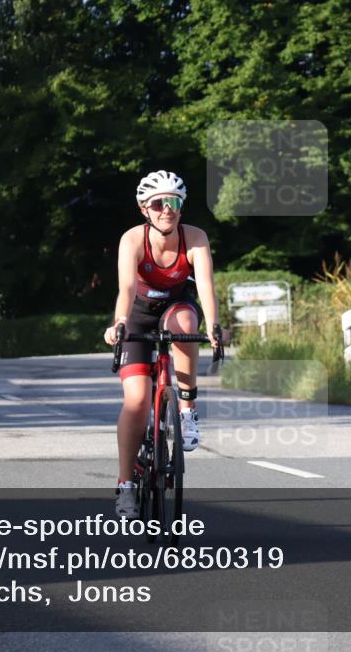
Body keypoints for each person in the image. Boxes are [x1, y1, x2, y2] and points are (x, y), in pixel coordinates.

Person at [103, 170, 221, 519]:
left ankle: (186, 410)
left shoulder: (195, 237)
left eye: (174, 203)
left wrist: (214, 326)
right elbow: (126, 288)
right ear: (145, 209)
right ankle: (125, 484)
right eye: (158, 204)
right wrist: (120, 322)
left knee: (187, 322)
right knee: (138, 399)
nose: (166, 210)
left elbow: (206, 287)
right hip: (137, 316)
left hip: (175, 307)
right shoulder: (132, 239)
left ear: (181, 207)